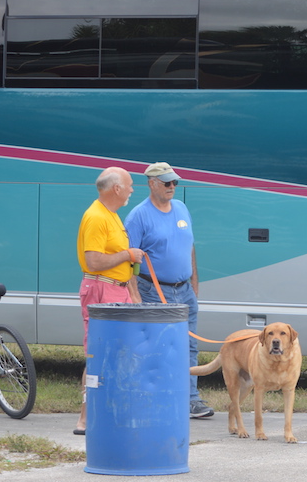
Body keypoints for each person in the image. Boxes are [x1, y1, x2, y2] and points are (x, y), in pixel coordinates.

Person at [125, 162, 214, 419]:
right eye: (167, 183)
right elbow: (130, 259)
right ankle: (155, 398)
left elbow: (190, 247)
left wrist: (194, 283)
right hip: (153, 291)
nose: (172, 187)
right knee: (157, 346)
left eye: (174, 182)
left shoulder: (182, 208)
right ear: (152, 184)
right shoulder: (138, 216)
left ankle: (190, 399)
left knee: (189, 346)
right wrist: (135, 295)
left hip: (184, 290)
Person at [73, 166, 144, 435]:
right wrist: (127, 255)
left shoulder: (112, 215)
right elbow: (94, 261)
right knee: (98, 354)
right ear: (116, 188)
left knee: (122, 353)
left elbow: (124, 261)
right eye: (129, 185)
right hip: (101, 290)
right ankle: (84, 419)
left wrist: (133, 294)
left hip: (119, 289)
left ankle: (112, 412)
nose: (132, 190)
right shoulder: (96, 217)